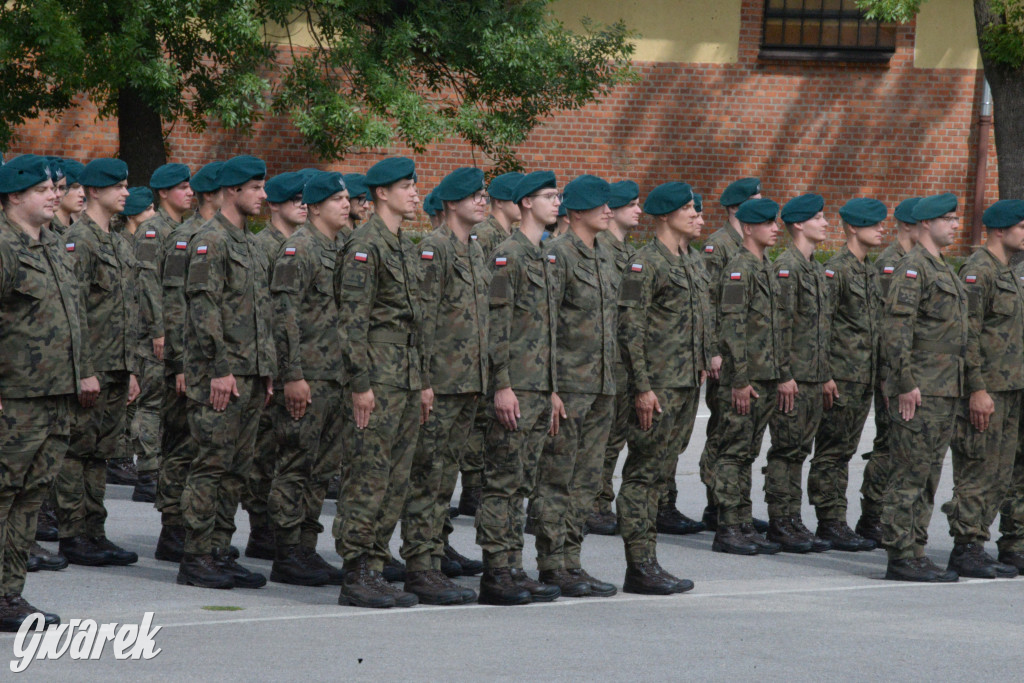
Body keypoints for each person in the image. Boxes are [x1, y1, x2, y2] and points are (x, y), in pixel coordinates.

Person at [177, 155, 276, 590]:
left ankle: (219, 549)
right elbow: (203, 308)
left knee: (237, 468)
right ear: (232, 191)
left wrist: (266, 368)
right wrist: (220, 369)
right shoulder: (210, 240)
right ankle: (196, 555)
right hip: (222, 374)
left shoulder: (249, 243)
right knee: (211, 465)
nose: (263, 195)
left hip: (251, 374)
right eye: (255, 187)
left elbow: (259, 313)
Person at [332, 156, 424, 609]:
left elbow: (417, 322)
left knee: (395, 476)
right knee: (367, 473)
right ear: (381, 194)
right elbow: (352, 322)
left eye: (414, 186)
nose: (414, 193)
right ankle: (356, 571)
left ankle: (376, 564)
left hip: (404, 375)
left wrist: (422, 379)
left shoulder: (404, 245)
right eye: (405, 186)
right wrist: (360, 384)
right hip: (377, 376)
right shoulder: (364, 245)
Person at [399, 167, 490, 605]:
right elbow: (422, 320)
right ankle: (420, 567)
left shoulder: (473, 250)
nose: (481, 201)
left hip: (469, 383)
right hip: (441, 383)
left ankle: (434, 557)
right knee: (428, 478)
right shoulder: (434, 250)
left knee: (445, 480)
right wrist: (423, 381)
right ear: (451, 203)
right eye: (471, 196)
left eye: (484, 195)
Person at [0, 155, 82, 630]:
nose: (55, 194)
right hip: (16, 398)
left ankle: (9, 596)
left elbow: (70, 319)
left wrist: (83, 373)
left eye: (55, 187)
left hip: (56, 396)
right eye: (43, 188)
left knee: (30, 498)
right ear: (14, 196)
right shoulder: (4, 246)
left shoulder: (53, 245)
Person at [476, 171, 562, 606]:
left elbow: (544, 332)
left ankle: (513, 566)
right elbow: (497, 326)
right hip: (514, 388)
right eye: (549, 196)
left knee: (522, 482)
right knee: (504, 482)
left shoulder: (542, 256)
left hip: (538, 387)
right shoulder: (507, 256)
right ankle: (496, 572)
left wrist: (551, 389)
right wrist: (502, 385)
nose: (556, 203)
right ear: (526, 203)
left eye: (558, 196)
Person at [616, 181, 704, 594]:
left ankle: (650, 559)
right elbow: (630, 327)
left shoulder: (692, 261)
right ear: (666, 216)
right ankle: (640, 564)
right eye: (687, 208)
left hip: (686, 384)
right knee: (644, 474)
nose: (694, 214)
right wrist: (642, 387)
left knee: (661, 474)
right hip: (658, 387)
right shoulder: (644, 263)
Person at [532, 175, 618, 598]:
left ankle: (572, 560)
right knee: (556, 478)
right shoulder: (557, 255)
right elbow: (543, 323)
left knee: (586, 480)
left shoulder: (607, 255)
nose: (609, 210)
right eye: (599, 204)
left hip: (601, 386)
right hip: (568, 386)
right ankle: (551, 564)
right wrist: (549, 388)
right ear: (578, 211)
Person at [55, 158, 141, 567]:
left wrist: (133, 367)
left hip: (116, 366)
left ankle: (94, 531)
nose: (125, 192)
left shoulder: (118, 242)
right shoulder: (80, 240)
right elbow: (72, 311)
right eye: (117, 186)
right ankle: (74, 532)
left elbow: (125, 310)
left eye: (126, 186)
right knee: (77, 451)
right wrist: (82, 369)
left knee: (101, 453)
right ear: (93, 190)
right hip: (91, 367)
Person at [265, 171, 349, 587]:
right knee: (295, 462)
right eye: (336, 199)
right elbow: (284, 318)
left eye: (347, 198)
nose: (346, 204)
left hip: (335, 378)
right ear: (315, 207)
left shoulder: (339, 249)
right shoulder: (300, 250)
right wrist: (292, 376)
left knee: (320, 468)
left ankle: (306, 546)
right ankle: (286, 551)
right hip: (308, 378)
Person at [881, 192, 967, 582]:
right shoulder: (912, 268)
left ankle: (916, 549)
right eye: (948, 219)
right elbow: (897, 330)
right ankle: (900, 554)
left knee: (929, 474)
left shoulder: (942, 268)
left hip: (944, 387)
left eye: (955, 218)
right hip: (920, 388)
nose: (955, 225)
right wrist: (904, 382)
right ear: (927, 223)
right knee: (909, 472)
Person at [940, 199, 1024, 579]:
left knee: (1005, 471)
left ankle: (1010, 544)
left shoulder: (1010, 272)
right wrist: (976, 389)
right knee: (978, 468)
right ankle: (967, 546)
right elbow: (967, 336)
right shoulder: (979, 272)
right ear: (1000, 231)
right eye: (1022, 227)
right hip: (988, 388)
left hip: (1013, 388)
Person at [154, 160, 224, 563]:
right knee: (182, 445)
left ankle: (199, 529)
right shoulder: (186, 237)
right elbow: (175, 304)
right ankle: (174, 527)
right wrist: (179, 363)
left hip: (210, 361)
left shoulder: (222, 237)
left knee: (204, 448)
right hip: (190, 362)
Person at [708, 197, 784, 556]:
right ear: (748, 227)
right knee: (733, 453)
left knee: (747, 453)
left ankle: (742, 522)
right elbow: (732, 328)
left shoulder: (764, 265)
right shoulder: (739, 268)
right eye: (767, 223)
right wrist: (738, 381)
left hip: (765, 376)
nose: (775, 228)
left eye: (776, 222)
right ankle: (727, 527)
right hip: (746, 379)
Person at [809, 199, 886, 552]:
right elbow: (821, 326)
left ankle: (839, 521)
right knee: (832, 451)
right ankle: (830, 521)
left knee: (847, 450)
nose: (881, 229)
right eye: (874, 224)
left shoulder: (869, 270)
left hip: (864, 377)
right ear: (853, 228)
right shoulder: (836, 270)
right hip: (841, 375)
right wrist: (824, 374)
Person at [243, 170, 309, 562]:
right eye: (294, 200)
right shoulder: (262, 247)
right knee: (264, 452)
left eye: (306, 199)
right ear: (275, 206)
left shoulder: (302, 246)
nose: (302, 205)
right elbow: (264, 313)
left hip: (299, 362)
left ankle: (284, 526)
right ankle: (262, 528)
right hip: (273, 363)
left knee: (291, 452)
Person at [763, 194, 834, 553]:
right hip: (793, 378)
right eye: (818, 218)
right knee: (786, 450)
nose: (825, 223)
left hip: (813, 376)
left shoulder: (815, 268)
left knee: (800, 450)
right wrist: (784, 374)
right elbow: (780, 327)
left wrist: (825, 374)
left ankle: (793, 519)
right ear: (798, 225)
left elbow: (819, 329)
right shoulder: (787, 268)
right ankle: (781, 520)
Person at [700, 177, 767, 533]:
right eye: (754, 202)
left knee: (740, 434)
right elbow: (710, 303)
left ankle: (730, 503)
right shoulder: (719, 245)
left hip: (749, 357)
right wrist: (711, 351)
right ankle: (718, 503)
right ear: (735, 209)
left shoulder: (754, 243)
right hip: (725, 357)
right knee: (724, 431)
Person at [457, 171, 525, 519]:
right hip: (482, 342)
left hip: (497, 343)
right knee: (480, 424)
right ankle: (474, 487)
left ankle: (478, 484)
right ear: (501, 201)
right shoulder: (484, 236)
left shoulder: (508, 236)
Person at [857, 197, 921, 545]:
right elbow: (886, 325)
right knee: (887, 446)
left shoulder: (917, 262)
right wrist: (887, 375)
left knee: (901, 448)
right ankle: (872, 516)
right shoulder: (890, 264)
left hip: (908, 371)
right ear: (909, 226)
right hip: (890, 372)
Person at [131, 164, 193, 504]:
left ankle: (162, 467)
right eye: (182, 187)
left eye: (190, 187)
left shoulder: (180, 229)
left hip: (175, 332)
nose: (190, 193)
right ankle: (148, 471)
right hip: (156, 335)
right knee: (152, 401)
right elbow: (149, 283)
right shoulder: (152, 230)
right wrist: (158, 330)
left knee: (169, 404)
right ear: (164, 193)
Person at [588, 180, 639, 537]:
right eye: (631, 204)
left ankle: (600, 500)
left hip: (623, 358)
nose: (639, 210)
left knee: (615, 435)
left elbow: (632, 310)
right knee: (600, 438)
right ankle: (595, 503)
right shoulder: (600, 248)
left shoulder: (627, 254)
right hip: (601, 360)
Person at [52, 159, 86, 233]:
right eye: (75, 187)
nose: (83, 194)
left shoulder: (80, 230)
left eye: (84, 188)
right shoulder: (48, 228)